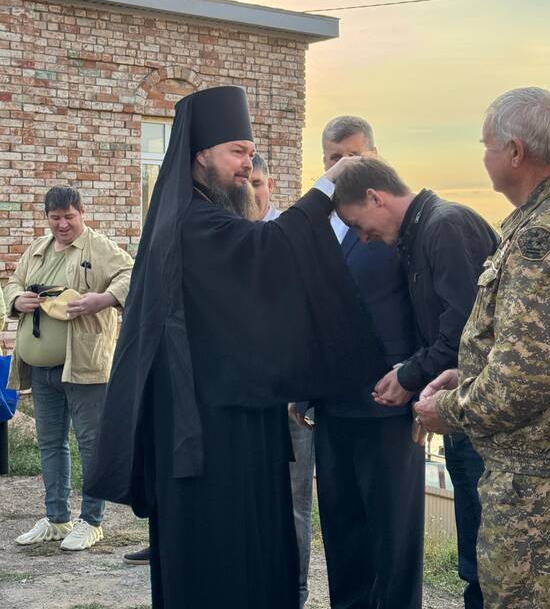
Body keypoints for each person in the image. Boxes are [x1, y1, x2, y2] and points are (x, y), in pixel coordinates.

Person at [86, 86, 385, 609]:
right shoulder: (192, 221)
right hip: (208, 428)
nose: (248, 164)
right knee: (223, 558)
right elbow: (268, 249)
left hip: (229, 410)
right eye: (238, 152)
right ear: (201, 154)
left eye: (251, 152)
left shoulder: (200, 215)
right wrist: (327, 186)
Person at [414, 87, 550, 609]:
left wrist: (447, 409)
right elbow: (543, 352)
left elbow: (521, 380)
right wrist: (467, 376)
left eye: (486, 145)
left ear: (515, 152)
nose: (484, 156)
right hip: (542, 475)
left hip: (538, 486)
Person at [334, 156, 498, 609]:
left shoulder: (445, 226)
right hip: (460, 409)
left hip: (484, 416)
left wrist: (408, 375)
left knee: (487, 562)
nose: (363, 237)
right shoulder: (421, 233)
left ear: (375, 197)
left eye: (359, 224)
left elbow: (463, 333)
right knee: (475, 559)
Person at [295, 116, 425, 609]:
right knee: (343, 531)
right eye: (334, 158)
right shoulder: (311, 224)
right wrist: (305, 389)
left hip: (389, 406)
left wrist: (420, 384)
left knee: (392, 537)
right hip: (332, 407)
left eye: (354, 156)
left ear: (375, 155)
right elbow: (307, 314)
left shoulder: (402, 225)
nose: (344, 166)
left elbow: (423, 312)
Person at [4, 186, 133, 550]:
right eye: (55, 217)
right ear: (47, 217)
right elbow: (13, 281)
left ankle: (92, 522)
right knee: (50, 443)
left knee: (90, 443)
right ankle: (57, 518)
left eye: (69, 217)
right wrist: (17, 298)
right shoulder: (38, 249)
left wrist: (103, 299)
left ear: (82, 213)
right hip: (42, 369)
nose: (62, 224)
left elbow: (132, 273)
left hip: (84, 366)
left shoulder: (98, 247)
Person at [251, 151, 314, 609]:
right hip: (244, 395)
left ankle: (294, 593)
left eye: (257, 183)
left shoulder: (293, 239)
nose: (250, 191)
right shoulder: (229, 237)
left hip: (290, 394)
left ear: (271, 186)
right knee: (248, 500)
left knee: (293, 501)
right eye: (243, 183)